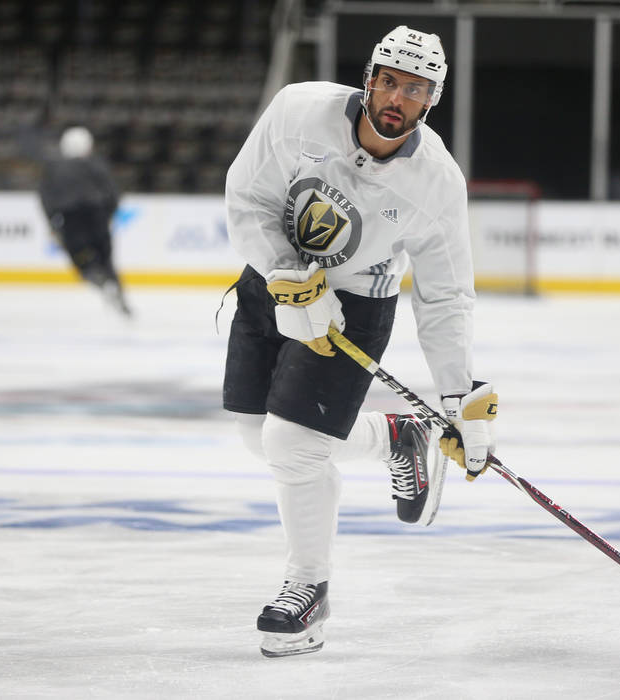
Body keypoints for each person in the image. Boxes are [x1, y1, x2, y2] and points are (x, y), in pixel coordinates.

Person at [223, 25, 499, 658]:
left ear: (433, 100)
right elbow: (247, 196)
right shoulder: (297, 110)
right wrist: (284, 274)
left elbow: (445, 295)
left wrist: (459, 397)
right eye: (391, 81)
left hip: (357, 307)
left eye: (416, 89)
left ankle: (307, 590)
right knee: (253, 433)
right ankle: (396, 436)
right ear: (369, 78)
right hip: (274, 279)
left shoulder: (436, 182)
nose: (398, 98)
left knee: (291, 445)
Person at [38, 126, 132, 317]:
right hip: (96, 215)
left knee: (81, 257)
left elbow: (46, 197)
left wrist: (53, 222)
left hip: (71, 219)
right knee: (105, 259)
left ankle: (99, 281)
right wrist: (108, 214)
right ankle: (114, 289)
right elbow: (112, 191)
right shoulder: (94, 164)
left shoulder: (54, 168)